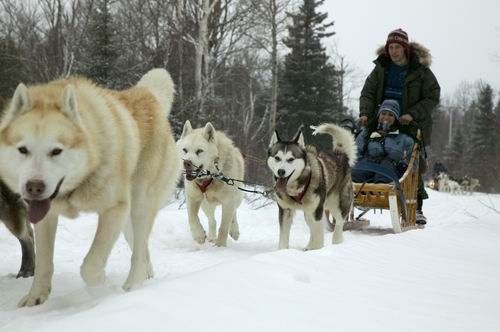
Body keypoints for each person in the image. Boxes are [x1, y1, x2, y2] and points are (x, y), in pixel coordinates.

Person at [357, 28, 440, 225]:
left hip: (409, 123)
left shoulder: (420, 71)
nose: (393, 51)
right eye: (390, 47)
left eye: (397, 47)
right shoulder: (381, 68)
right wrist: (365, 113)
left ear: (405, 49)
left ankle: (416, 206)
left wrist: (412, 114)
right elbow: (368, 92)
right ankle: (366, 190)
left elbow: (432, 96)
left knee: (413, 163)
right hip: (382, 118)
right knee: (373, 152)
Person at [352, 99, 414, 183]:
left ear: (395, 118)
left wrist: (404, 165)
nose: (386, 117)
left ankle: (381, 189)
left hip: (391, 173)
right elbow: (356, 152)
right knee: (361, 168)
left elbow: (411, 161)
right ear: (378, 116)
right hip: (368, 167)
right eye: (383, 113)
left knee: (387, 164)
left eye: (391, 115)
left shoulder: (404, 138)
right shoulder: (367, 133)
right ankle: (355, 186)